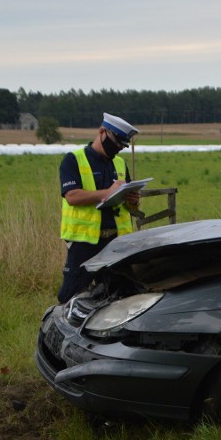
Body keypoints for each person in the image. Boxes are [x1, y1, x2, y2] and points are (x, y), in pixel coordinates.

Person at [57, 113, 140, 303]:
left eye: (122, 146)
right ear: (102, 132)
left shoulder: (119, 163)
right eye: (116, 142)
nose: (118, 148)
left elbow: (128, 207)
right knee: (71, 296)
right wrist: (106, 193)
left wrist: (133, 200)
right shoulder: (73, 160)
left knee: (120, 296)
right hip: (84, 242)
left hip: (116, 241)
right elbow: (71, 196)